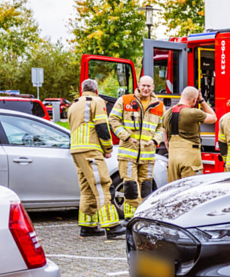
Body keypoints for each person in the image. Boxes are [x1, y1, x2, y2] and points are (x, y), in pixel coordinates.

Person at [68, 79, 123, 239]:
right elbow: (102, 127)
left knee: (87, 188)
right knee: (102, 186)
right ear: (96, 90)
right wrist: (108, 148)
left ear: (82, 90)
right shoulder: (97, 101)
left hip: (76, 150)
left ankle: (88, 226)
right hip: (91, 150)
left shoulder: (73, 105)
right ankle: (111, 226)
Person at [109, 76, 165, 219]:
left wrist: (155, 140)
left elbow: (161, 126)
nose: (145, 88)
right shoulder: (125, 100)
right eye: (143, 85)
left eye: (148, 86)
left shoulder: (159, 105)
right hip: (128, 152)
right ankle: (132, 217)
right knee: (131, 186)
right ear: (138, 85)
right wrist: (126, 136)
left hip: (148, 153)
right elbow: (113, 120)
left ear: (153, 87)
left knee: (146, 187)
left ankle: (142, 216)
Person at [161, 87, 217, 182]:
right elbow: (213, 118)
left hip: (173, 158)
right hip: (190, 157)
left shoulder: (166, 114)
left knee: (174, 188)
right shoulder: (193, 113)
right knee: (190, 188)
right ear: (194, 100)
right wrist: (202, 101)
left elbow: (166, 140)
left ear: (181, 95)